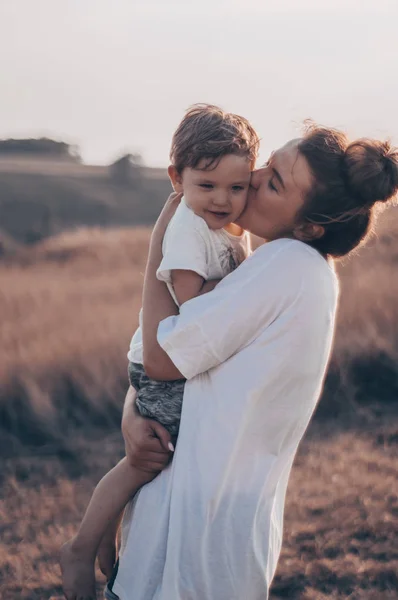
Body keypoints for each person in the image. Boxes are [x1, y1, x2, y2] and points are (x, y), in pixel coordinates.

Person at [106, 125, 398, 600]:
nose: (254, 177)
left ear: (308, 226)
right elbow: (180, 368)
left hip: (192, 548)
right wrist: (131, 414)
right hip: (198, 530)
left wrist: (164, 234)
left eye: (276, 182)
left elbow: (159, 360)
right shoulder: (289, 269)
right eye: (270, 164)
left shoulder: (284, 266)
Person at [60, 104, 260, 600]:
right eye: (207, 185)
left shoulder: (225, 227)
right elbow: (193, 303)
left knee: (153, 460)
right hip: (164, 367)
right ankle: (84, 546)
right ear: (177, 177)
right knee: (145, 460)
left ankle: (105, 537)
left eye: (237, 188)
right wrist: (239, 283)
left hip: (174, 359)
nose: (222, 199)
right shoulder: (189, 228)